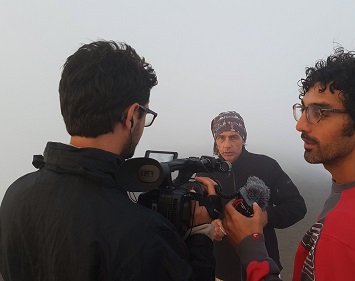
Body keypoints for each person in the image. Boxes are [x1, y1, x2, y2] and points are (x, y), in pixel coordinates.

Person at [0, 40, 217, 281]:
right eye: (145, 114)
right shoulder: (143, 234)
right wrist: (200, 234)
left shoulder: (15, 194)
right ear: (132, 115)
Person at [222, 47, 355, 281]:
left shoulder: (341, 236)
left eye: (318, 112)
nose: (300, 125)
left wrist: (252, 249)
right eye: (303, 109)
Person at [202, 111, 307, 281]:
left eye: (234, 137)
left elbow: (297, 206)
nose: (227, 144)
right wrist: (209, 227)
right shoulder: (205, 172)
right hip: (221, 270)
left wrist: (266, 217)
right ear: (215, 140)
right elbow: (193, 215)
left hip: (265, 268)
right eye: (221, 138)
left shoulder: (266, 166)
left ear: (243, 138)